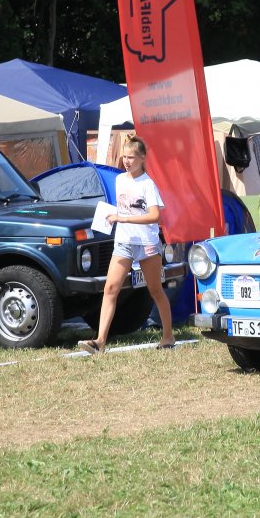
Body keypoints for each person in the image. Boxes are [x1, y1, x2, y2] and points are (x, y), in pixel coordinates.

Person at [78, 135, 175, 354]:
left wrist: (124, 218)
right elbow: (123, 207)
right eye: (124, 157)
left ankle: (168, 336)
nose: (126, 161)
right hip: (123, 242)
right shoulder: (120, 179)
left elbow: (154, 216)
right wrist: (110, 215)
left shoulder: (148, 184)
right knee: (110, 288)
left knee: (155, 290)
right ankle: (100, 341)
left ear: (142, 158)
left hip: (146, 243)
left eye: (131, 157)